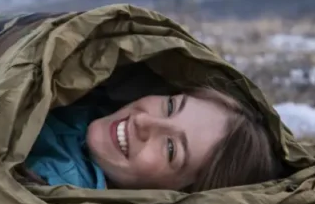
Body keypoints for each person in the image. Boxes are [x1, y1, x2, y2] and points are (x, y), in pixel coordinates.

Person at [25, 81, 283, 192]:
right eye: (170, 107)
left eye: (171, 149)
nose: (143, 120)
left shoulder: (54, 196)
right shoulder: (84, 100)